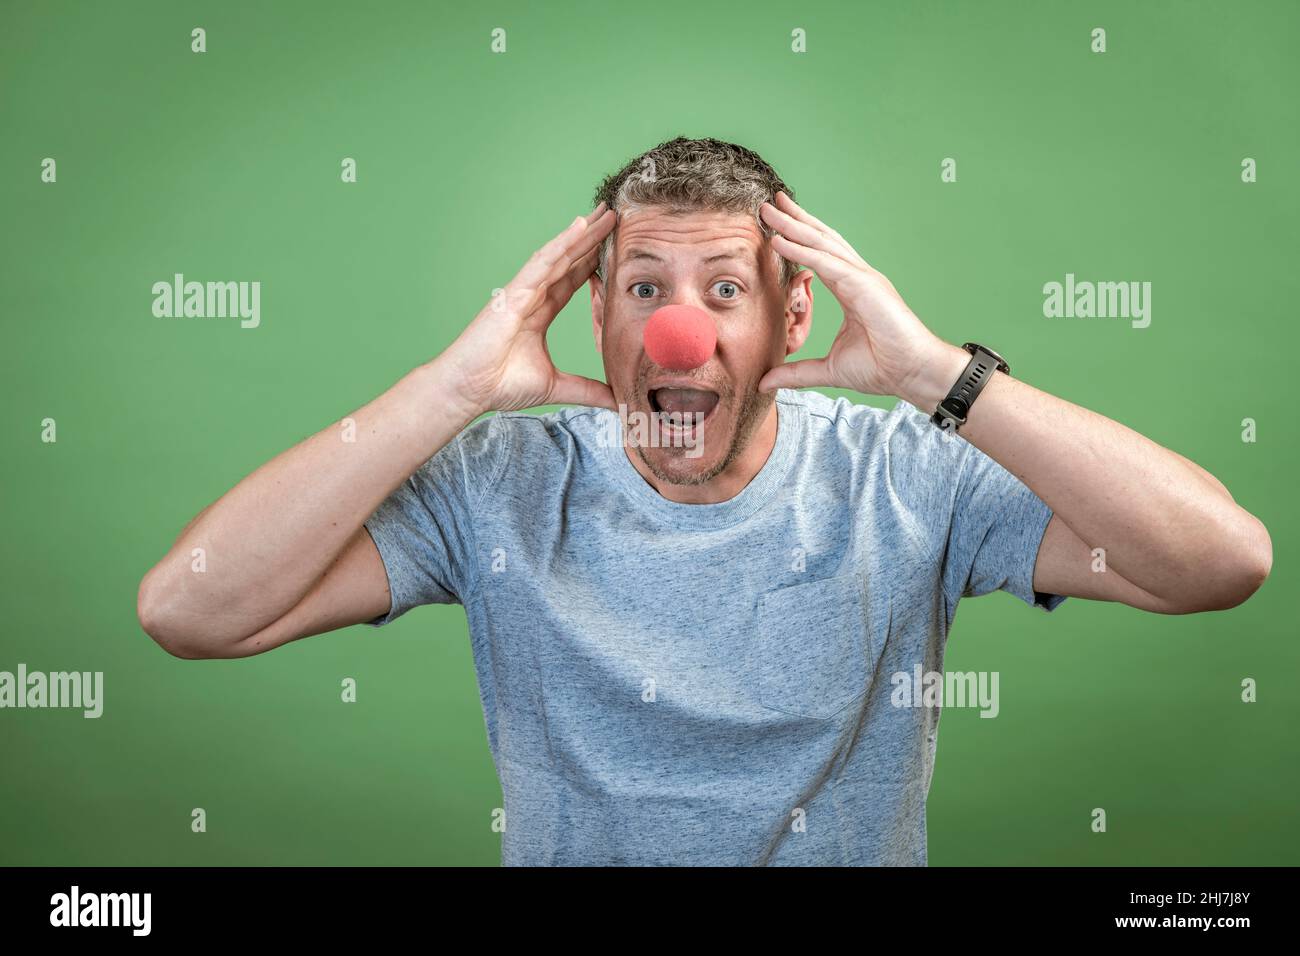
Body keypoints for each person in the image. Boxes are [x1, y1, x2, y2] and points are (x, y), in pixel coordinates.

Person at [137, 136, 1272, 865]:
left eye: (725, 288)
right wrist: (448, 393)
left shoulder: (906, 471)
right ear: (598, 322)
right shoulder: (501, 483)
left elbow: (1218, 560)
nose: (680, 327)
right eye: (643, 289)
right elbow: (192, 610)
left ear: (792, 321)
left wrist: (939, 376)